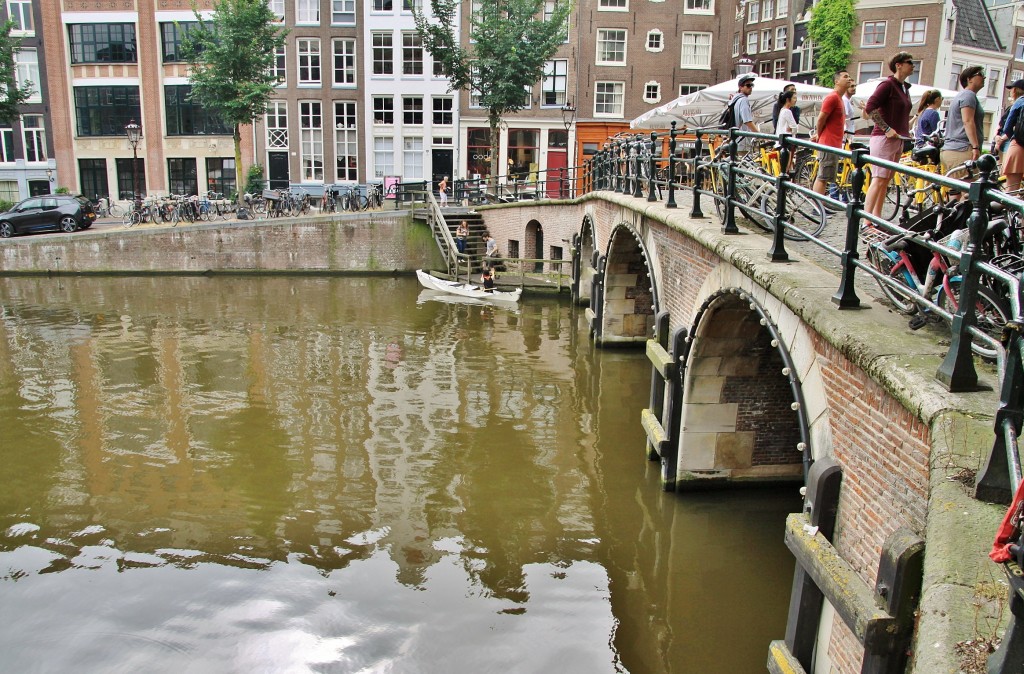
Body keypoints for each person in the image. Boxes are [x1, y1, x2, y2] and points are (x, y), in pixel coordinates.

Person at [863, 52, 915, 218]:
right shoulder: (887, 85)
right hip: (884, 138)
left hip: (898, 139)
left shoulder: (904, 88)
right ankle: (866, 220)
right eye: (909, 62)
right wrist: (886, 128)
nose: (913, 65)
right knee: (878, 179)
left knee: (885, 180)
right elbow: (870, 107)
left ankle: (876, 217)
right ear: (898, 65)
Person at [941, 65, 986, 190]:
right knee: (968, 192)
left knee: (955, 192)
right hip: (963, 149)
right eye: (980, 74)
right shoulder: (968, 95)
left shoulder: (962, 95)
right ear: (969, 79)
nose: (984, 77)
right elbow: (968, 121)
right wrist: (975, 147)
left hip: (953, 150)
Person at [810, 70, 853, 196]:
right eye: (845, 76)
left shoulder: (839, 98)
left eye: (849, 76)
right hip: (828, 143)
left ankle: (821, 205)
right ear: (837, 81)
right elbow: (821, 119)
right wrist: (819, 135)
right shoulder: (832, 97)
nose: (849, 78)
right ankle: (817, 208)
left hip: (834, 144)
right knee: (823, 177)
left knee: (826, 177)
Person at [1000, 79, 1024, 192]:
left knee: (1011, 191)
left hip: (1018, 148)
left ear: (1015, 91)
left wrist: (1014, 138)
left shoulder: (1019, 102)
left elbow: (1007, 128)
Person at [730, 74, 759, 151]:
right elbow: (747, 121)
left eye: (752, 85)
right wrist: (758, 134)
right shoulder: (743, 100)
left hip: (736, 140)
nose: (751, 88)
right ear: (740, 87)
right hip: (743, 141)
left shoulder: (735, 100)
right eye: (748, 85)